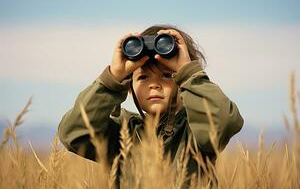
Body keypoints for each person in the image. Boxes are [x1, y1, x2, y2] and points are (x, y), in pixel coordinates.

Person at [58, 24, 244, 179]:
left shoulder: (196, 131)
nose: (154, 85)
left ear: (182, 83)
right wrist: (112, 81)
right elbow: (73, 133)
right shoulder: (123, 135)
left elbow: (225, 122)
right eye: (143, 78)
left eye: (166, 75)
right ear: (129, 88)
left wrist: (189, 72)